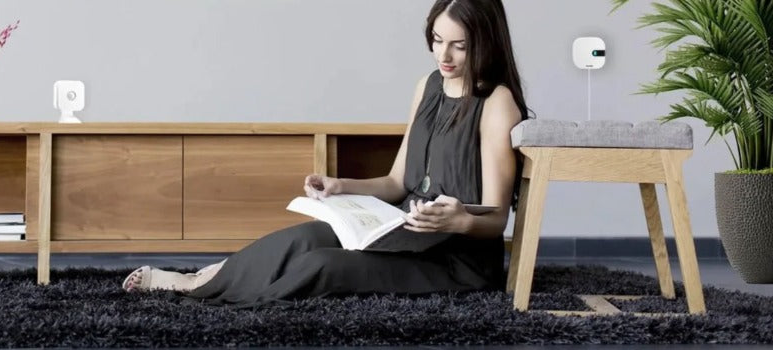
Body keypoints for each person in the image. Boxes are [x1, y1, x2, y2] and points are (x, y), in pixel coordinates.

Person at [122, 0, 532, 308]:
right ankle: (197, 280)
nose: (443, 56)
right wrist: (340, 185)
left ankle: (217, 301)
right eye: (437, 41)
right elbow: (396, 183)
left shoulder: (497, 103)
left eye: (458, 46)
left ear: (484, 43)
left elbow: (495, 218)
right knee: (298, 240)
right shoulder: (427, 87)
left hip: (456, 263)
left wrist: (459, 219)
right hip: (400, 230)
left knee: (322, 265)